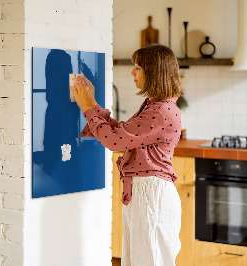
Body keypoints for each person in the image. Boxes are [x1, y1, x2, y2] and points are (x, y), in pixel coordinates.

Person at [70, 44, 183, 266]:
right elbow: (122, 134)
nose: (132, 72)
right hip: (145, 193)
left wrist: (86, 108)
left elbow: (114, 141)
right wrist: (92, 104)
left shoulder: (160, 111)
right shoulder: (156, 106)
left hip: (151, 195)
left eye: (138, 67)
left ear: (154, 71)